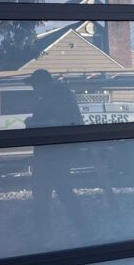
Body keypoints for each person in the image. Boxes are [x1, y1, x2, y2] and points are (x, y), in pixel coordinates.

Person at [27, 70, 83, 224]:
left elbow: (60, 122)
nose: (33, 89)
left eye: (34, 85)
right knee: (44, 194)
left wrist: (34, 124)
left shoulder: (60, 96)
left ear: (43, 84)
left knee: (59, 192)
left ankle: (84, 230)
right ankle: (44, 234)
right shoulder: (50, 96)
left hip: (56, 153)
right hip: (47, 152)